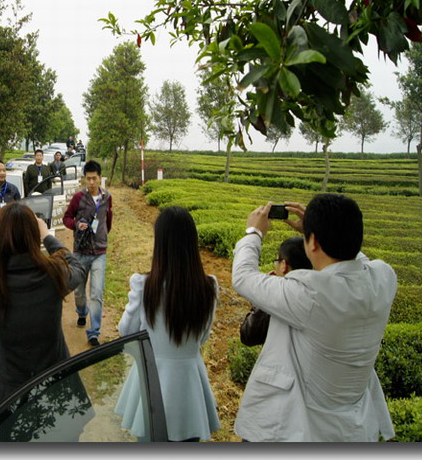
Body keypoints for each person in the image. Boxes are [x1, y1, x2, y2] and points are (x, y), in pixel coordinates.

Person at [232, 195, 397, 442]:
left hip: (296, 429)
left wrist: (253, 233)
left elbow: (243, 277)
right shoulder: (384, 278)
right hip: (353, 428)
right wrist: (316, 233)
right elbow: (356, 259)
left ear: (313, 243)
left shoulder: (310, 293)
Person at [0, 202, 88, 410]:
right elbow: (78, 267)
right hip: (56, 385)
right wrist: (47, 236)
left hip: (10, 394)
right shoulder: (52, 274)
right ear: (33, 237)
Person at [115, 206, 221, 442]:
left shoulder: (144, 285)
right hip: (190, 383)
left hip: (152, 380)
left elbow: (126, 331)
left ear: (160, 243)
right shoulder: (208, 286)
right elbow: (203, 337)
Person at [63, 160, 112, 346]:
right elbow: (67, 218)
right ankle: (82, 312)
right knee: (79, 291)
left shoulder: (107, 197)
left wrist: (102, 236)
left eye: (94, 178)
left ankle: (94, 332)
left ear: (100, 178)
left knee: (96, 293)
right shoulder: (78, 198)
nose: (91, 182)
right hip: (81, 252)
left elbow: (108, 220)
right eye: (88, 179)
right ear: (84, 178)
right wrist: (76, 225)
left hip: (99, 252)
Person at [239, 236, 311, 346]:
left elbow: (249, 336)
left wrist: (265, 294)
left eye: (276, 261)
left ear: (284, 266)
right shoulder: (318, 293)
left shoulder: (280, 296)